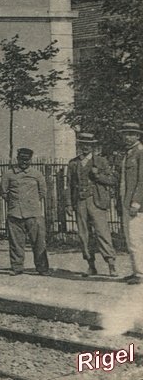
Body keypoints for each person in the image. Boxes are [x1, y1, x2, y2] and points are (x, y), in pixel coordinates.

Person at [66, 133, 118, 277]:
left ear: (93, 146)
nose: (85, 147)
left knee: (102, 233)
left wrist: (97, 176)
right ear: (79, 145)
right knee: (84, 235)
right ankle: (91, 265)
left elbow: (112, 180)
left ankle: (111, 265)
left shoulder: (101, 161)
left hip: (96, 202)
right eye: (82, 144)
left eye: (88, 144)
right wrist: (69, 204)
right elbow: (69, 185)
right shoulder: (73, 163)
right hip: (80, 202)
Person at [0, 148, 49, 275]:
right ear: (17, 159)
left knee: (39, 243)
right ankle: (17, 268)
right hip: (15, 212)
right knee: (16, 243)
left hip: (33, 214)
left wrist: (31, 202)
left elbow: (42, 192)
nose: (24, 162)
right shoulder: (9, 174)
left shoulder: (37, 174)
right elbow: (3, 192)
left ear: (30, 160)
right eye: (22, 159)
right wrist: (14, 203)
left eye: (27, 160)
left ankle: (42, 268)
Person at [116, 122, 143, 285]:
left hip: (136, 205)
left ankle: (140, 273)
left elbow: (142, 181)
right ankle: (136, 271)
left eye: (131, 134)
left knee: (135, 238)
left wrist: (136, 202)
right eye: (125, 134)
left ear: (137, 136)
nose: (127, 137)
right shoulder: (129, 153)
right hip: (126, 202)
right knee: (130, 238)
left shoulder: (140, 152)